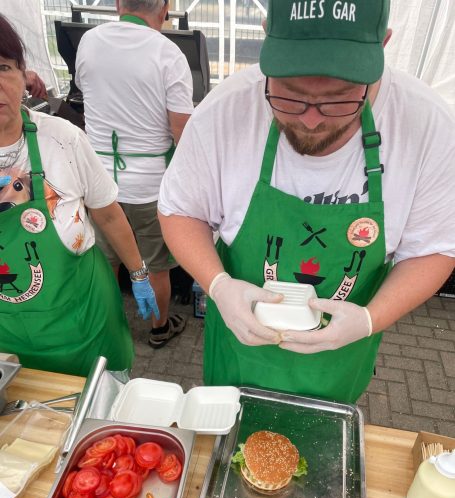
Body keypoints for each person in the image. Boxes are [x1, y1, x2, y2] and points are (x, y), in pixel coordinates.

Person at [158, 0, 455, 404]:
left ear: (383, 46)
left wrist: (371, 318)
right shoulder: (224, 112)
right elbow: (181, 210)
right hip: (236, 357)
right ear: (266, 35)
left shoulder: (429, 128)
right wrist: (219, 285)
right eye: (291, 95)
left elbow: (434, 248)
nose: (311, 120)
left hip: (337, 365)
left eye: (339, 98)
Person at [0, 14, 159, 377]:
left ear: (24, 74)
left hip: (84, 322)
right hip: (8, 340)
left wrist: (138, 274)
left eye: (3, 67)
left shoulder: (62, 139)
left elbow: (108, 214)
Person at [75, 0, 194, 349]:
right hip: (149, 185)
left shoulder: (89, 42)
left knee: (106, 260)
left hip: (98, 183)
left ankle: (112, 327)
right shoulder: (168, 54)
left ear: (117, 4)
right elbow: (183, 134)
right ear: (165, 8)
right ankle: (159, 328)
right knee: (156, 265)